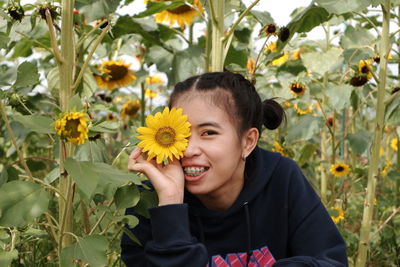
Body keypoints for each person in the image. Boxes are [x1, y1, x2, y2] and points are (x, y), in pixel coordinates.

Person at [121, 72, 348, 267]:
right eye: (181, 135)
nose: (189, 150)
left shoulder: (281, 178)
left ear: (248, 142)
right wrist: (170, 203)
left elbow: (331, 260)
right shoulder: (149, 200)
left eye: (208, 133)